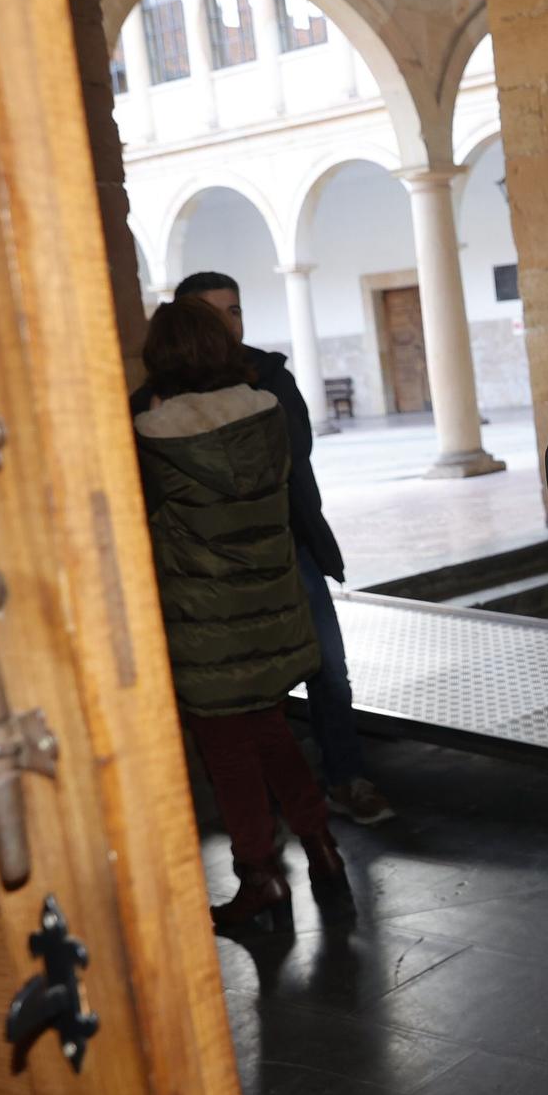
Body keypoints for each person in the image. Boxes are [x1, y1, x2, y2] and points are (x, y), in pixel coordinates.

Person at [130, 272, 394, 825]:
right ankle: (287, 834)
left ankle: (344, 781)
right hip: (205, 577)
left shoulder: (266, 379)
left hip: (284, 548)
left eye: (236, 310)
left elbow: (294, 452)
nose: (229, 323)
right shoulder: (150, 406)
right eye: (213, 313)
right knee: (247, 713)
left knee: (327, 672)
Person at [134, 297, 352, 933]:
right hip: (269, 612)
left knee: (227, 754)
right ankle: (321, 848)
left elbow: (143, 524)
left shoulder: (155, 438)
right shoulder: (266, 418)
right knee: (272, 734)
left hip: (205, 627)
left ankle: (260, 876)